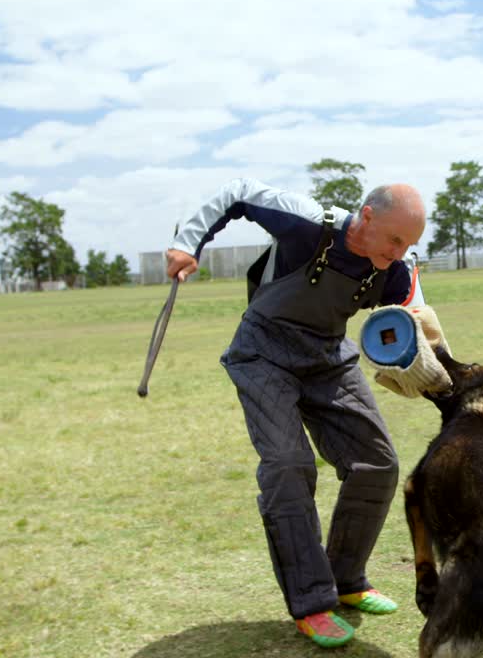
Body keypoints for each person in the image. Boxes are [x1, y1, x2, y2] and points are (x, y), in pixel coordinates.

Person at [164, 178, 427, 648]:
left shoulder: (394, 271)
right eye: (394, 239)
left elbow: (414, 322)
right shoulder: (308, 223)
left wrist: (423, 363)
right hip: (264, 354)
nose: (399, 252)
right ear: (367, 216)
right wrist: (188, 244)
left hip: (328, 358)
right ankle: (311, 602)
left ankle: (346, 579)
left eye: (408, 244)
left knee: (378, 463)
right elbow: (237, 192)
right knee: (288, 465)